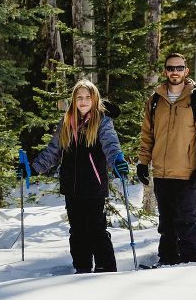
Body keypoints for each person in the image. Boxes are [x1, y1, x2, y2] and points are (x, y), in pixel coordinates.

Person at [24, 79, 128, 274]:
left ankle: (106, 267)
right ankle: (82, 267)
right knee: (77, 230)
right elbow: (53, 151)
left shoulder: (102, 121)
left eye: (88, 97)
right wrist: (34, 168)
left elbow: (111, 145)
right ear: (74, 100)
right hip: (71, 185)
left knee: (96, 228)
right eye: (79, 97)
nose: (83, 101)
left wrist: (117, 161)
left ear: (94, 99)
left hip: (94, 184)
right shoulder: (65, 122)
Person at [137, 53, 196, 266]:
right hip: (161, 173)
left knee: (187, 222)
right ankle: (167, 262)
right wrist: (143, 162)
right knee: (166, 224)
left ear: (186, 71)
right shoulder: (154, 101)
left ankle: (191, 264)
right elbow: (147, 135)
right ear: (165, 71)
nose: (175, 72)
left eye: (179, 68)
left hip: (187, 173)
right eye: (171, 68)